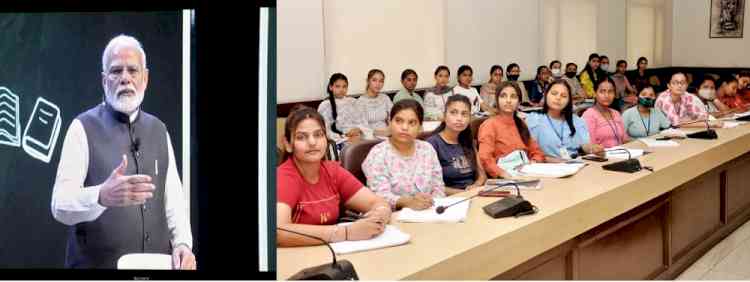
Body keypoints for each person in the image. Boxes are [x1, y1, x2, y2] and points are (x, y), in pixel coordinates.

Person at [51, 35, 195, 269]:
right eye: (116, 71)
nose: (125, 78)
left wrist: (183, 245)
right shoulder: (82, 128)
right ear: (103, 80)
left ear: (145, 78)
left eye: (132, 70)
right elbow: (60, 205)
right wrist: (100, 196)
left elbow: (174, 202)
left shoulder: (159, 129)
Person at [277, 106, 391, 247]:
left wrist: (379, 216)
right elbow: (278, 231)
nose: (312, 142)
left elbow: (378, 203)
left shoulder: (333, 171)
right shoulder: (283, 176)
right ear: (288, 144)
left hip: (334, 253)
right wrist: (346, 232)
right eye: (301, 137)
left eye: (318, 135)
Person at [362, 100, 446, 210]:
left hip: (429, 212)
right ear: (389, 122)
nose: (405, 127)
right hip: (392, 217)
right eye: (398, 121)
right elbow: (380, 196)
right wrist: (407, 202)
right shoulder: (378, 154)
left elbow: (438, 186)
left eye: (412, 123)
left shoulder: (427, 149)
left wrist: (433, 204)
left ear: (420, 127)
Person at [478, 82, 545, 179]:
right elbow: (485, 158)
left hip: (527, 173)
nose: (508, 100)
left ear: (519, 102)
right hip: (504, 177)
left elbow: (537, 151)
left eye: (513, 97)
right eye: (503, 96)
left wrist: (533, 163)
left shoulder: (521, 123)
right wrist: (503, 174)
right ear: (497, 100)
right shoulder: (489, 125)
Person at [526, 80, 604, 162]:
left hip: (576, 164)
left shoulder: (576, 120)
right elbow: (531, 153)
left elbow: (584, 145)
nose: (558, 98)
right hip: (548, 168)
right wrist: (558, 162)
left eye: (564, 96)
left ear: (568, 101)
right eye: (554, 93)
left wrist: (593, 149)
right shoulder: (534, 120)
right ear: (546, 95)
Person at [426, 95, 487, 195]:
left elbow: (482, 175)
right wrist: (464, 193)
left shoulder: (468, 140)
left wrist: (476, 186)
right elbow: (430, 186)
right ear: (444, 116)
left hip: (474, 194)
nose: (459, 118)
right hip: (449, 199)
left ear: (469, 118)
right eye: (453, 113)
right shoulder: (432, 144)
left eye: (464, 114)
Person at [655, 72, 723, 128]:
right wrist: (708, 124)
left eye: (683, 82)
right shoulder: (664, 98)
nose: (679, 86)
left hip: (681, 131)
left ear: (687, 85)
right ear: (669, 85)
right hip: (661, 133)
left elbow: (703, 116)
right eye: (675, 82)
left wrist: (686, 120)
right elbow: (676, 123)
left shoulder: (687, 96)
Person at [318, 73, 371, 143]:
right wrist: (346, 137)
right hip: (340, 140)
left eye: (344, 86)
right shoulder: (325, 105)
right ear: (331, 87)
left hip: (359, 136)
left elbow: (364, 122)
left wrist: (359, 129)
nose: (341, 89)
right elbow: (324, 129)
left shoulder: (354, 102)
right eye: (337, 86)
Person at [582, 77, 629, 148]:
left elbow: (625, 139)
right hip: (601, 157)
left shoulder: (616, 113)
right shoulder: (589, 115)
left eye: (610, 91)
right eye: (602, 91)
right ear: (595, 93)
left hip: (622, 153)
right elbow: (590, 146)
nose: (607, 95)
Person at [356, 69, 394, 138]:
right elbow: (363, 128)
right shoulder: (360, 102)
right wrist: (383, 133)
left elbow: (393, 115)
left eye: (381, 81)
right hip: (370, 137)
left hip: (388, 134)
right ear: (368, 81)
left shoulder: (385, 98)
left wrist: (391, 128)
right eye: (374, 80)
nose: (378, 84)